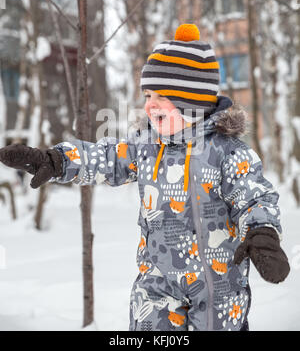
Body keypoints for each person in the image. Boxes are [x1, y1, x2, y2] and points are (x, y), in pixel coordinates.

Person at [0, 24, 290, 331]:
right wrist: (56, 160)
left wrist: (263, 234)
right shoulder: (146, 145)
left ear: (191, 100)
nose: (149, 104)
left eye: (160, 96)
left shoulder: (228, 152)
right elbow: (106, 157)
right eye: (148, 94)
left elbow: (253, 198)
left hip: (217, 285)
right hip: (157, 282)